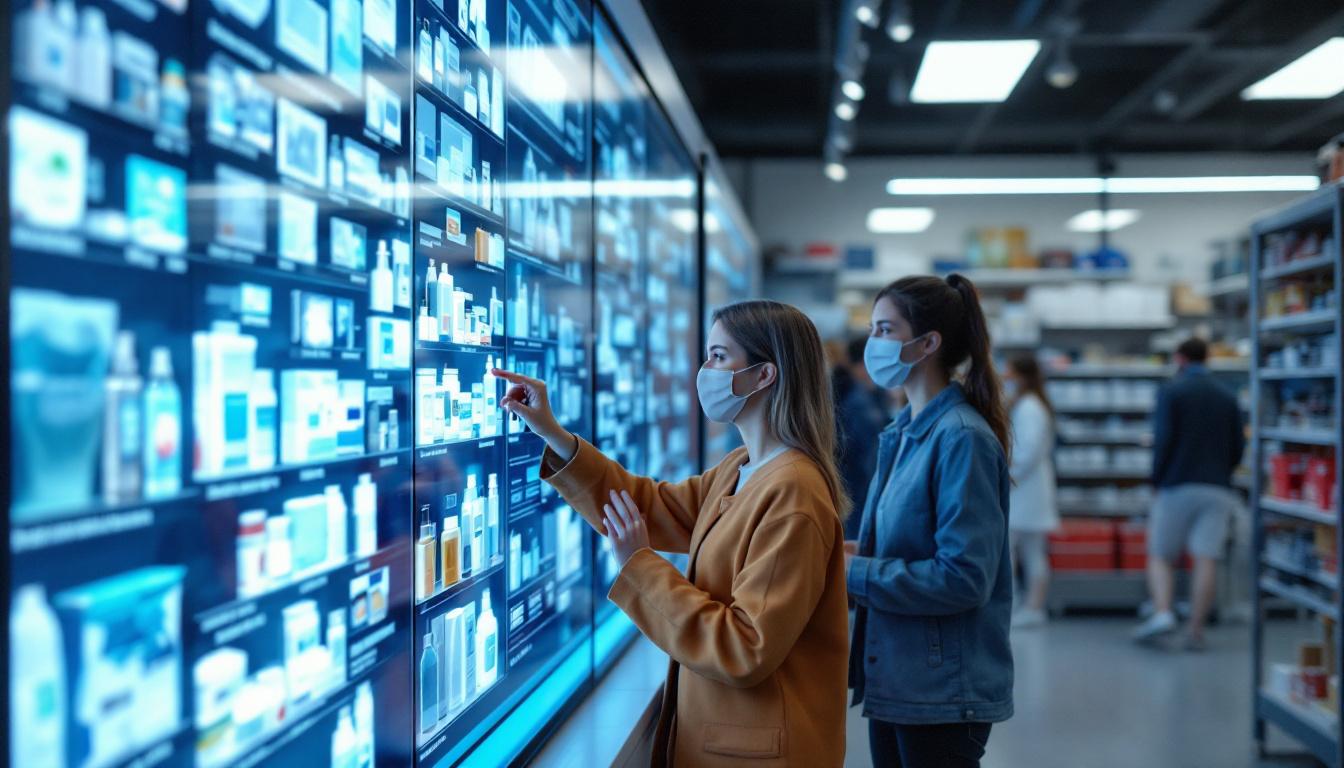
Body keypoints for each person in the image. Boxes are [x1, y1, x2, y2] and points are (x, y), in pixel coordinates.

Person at [494, 299, 850, 767]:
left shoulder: (793, 495)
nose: (705, 370)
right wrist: (554, 435)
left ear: (765, 376)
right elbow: (648, 506)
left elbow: (745, 649)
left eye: (720, 357)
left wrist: (638, 564)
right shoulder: (740, 468)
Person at [846, 274, 1014, 768]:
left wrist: (851, 574)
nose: (872, 345)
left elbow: (964, 577)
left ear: (927, 344)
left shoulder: (961, 438)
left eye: (884, 330)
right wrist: (847, 553)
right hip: (900, 675)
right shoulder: (904, 431)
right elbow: (910, 545)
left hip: (941, 690)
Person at [1132, 337, 1244, 651]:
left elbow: (1164, 440)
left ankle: (1164, 612)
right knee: (1206, 557)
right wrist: (1223, 472)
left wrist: (1156, 478)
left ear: (1180, 358)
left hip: (1177, 484)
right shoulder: (1227, 395)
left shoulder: (1172, 391)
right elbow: (1239, 446)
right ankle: (1195, 629)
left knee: (1161, 555)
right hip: (1218, 487)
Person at [1001, 355, 1060, 628]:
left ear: (1022, 377)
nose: (1005, 379)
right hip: (1028, 489)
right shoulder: (1029, 405)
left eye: (1009, 374)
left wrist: (1006, 475)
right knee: (1028, 551)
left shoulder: (1030, 408)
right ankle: (1029, 605)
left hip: (1026, 490)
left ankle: (1031, 607)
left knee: (1021, 551)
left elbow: (1028, 452)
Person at [833, 335, 890, 539]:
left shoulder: (855, 394)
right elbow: (872, 461)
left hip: (851, 492)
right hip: (859, 493)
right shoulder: (860, 403)